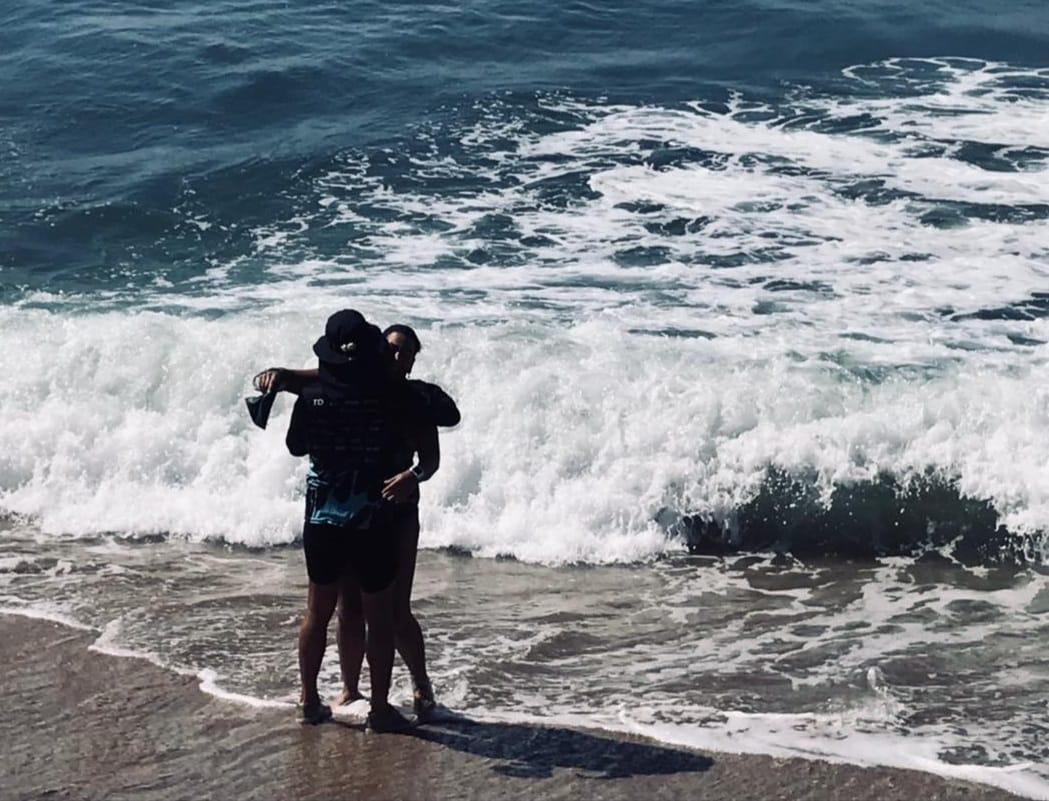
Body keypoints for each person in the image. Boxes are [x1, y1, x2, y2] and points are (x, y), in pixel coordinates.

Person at [256, 322, 459, 725]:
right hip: (357, 515)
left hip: (397, 514)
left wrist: (413, 476)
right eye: (390, 348)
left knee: (395, 611)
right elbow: (320, 380)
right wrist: (283, 376)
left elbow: (435, 450)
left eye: (405, 352)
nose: (397, 356)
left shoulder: (414, 397)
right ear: (375, 352)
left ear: (413, 360)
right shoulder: (352, 390)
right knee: (350, 607)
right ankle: (351, 691)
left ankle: (421, 686)